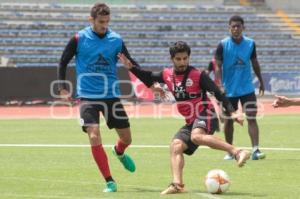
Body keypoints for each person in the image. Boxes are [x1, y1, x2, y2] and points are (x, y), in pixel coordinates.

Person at [118, 41, 251, 194]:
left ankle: (237, 152)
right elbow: (148, 77)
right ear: (172, 59)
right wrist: (131, 68)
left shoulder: (198, 75)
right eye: (178, 59)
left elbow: (218, 93)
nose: (182, 62)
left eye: (185, 58)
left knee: (196, 136)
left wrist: (232, 112)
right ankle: (177, 185)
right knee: (176, 145)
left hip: (206, 113)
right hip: (191, 121)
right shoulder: (167, 74)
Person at [57, 3, 148, 193]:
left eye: (107, 21)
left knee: (127, 138)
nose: (104, 25)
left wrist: (151, 83)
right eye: (100, 22)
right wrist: (62, 88)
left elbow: (131, 64)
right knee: (93, 134)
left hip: (111, 96)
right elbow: (63, 61)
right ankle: (109, 181)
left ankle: (119, 151)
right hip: (87, 96)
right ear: (91, 20)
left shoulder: (116, 40)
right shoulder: (79, 38)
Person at [214, 15, 266, 161]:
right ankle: (230, 151)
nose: (236, 29)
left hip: (247, 88)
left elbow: (255, 63)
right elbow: (218, 66)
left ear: (243, 27)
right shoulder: (223, 45)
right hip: (228, 90)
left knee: (251, 117)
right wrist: (219, 84)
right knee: (229, 121)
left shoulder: (250, 43)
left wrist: (261, 81)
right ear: (229, 28)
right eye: (233, 26)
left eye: (238, 26)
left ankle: (255, 150)